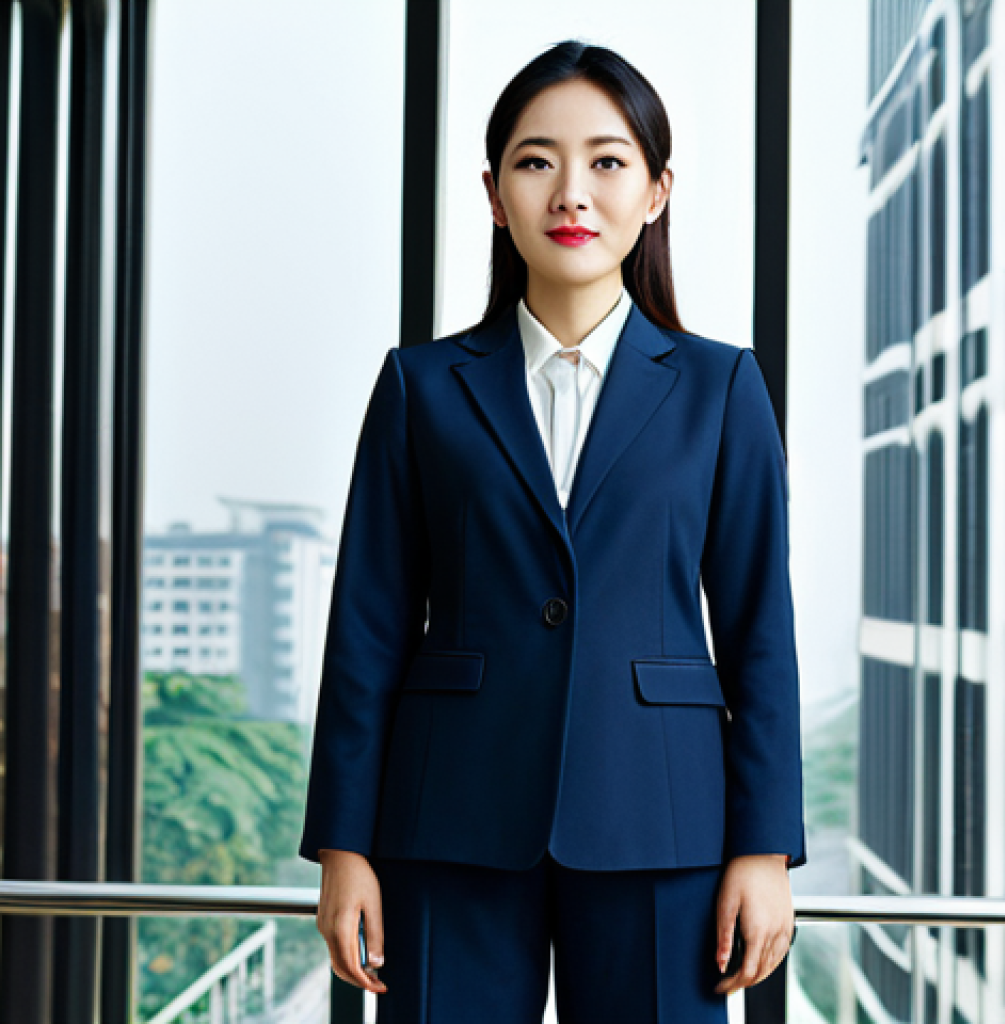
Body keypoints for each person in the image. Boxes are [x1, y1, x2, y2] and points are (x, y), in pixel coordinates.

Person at [298, 38, 805, 1023]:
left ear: (656, 191)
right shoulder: (419, 388)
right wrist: (343, 845)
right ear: (494, 194)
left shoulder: (721, 388)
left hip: (662, 822)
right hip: (448, 818)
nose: (571, 192)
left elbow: (758, 635)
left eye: (607, 162)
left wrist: (764, 847)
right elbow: (366, 627)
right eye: (537, 162)